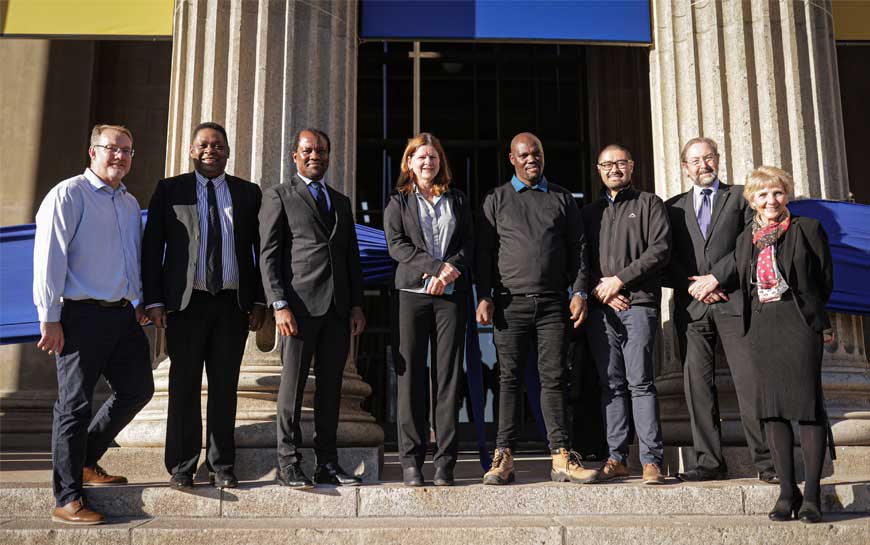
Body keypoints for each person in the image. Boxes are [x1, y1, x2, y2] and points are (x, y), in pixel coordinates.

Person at [697, 166, 834, 523]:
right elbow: (743, 280)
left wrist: (813, 318)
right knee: (771, 410)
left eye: (777, 193)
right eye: (763, 195)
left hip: (799, 324)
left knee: (807, 408)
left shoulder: (808, 229)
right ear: (753, 201)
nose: (771, 201)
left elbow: (824, 280)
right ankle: (787, 492)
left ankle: (813, 496)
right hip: (761, 327)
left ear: (786, 195)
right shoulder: (746, 239)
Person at [33, 124, 155, 525]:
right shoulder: (68, 194)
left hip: (121, 313)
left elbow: (130, 255)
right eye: (112, 149)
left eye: (127, 151)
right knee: (74, 405)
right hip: (79, 315)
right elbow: (49, 258)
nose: (120, 156)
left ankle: (85, 459)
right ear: (92, 152)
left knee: (138, 388)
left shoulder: (128, 201)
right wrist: (49, 316)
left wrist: (136, 299)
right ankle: (67, 498)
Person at [142, 122, 266, 490]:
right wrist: (154, 300)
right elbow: (152, 249)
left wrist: (258, 300)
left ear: (228, 152)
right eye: (204, 145)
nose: (211, 150)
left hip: (232, 305)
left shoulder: (248, 193)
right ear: (192, 151)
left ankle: (222, 465)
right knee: (183, 385)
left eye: (218, 145)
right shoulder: (170, 190)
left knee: (226, 387)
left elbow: (262, 251)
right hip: (185, 305)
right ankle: (182, 466)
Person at [476, 132, 596, 485]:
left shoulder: (561, 198)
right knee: (509, 381)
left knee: (554, 379)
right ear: (511, 159)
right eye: (524, 155)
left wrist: (580, 292)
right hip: (509, 304)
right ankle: (504, 458)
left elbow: (579, 250)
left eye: (537, 154)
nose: (532, 160)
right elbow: (484, 254)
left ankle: (561, 456)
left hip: (552, 304)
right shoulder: (496, 199)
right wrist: (484, 294)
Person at [259, 128, 367, 488]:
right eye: (308, 150)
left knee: (331, 390)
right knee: (291, 389)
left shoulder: (341, 201)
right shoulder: (279, 195)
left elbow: (351, 257)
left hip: (337, 310)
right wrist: (279, 304)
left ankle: (327, 463)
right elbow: (269, 255)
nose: (315, 155)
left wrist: (356, 305)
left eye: (321, 150)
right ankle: (289, 463)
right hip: (299, 309)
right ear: (295, 155)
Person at [664, 138, 776, 483]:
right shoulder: (673, 208)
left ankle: (767, 463)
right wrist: (693, 284)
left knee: (749, 383)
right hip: (692, 308)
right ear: (685, 167)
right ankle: (709, 462)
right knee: (697, 387)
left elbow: (750, 246)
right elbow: (665, 258)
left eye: (708, 158)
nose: (703, 165)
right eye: (695, 160)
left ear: (718, 160)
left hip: (733, 302)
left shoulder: (740, 198)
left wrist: (715, 279)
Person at [383, 133, 473, 487]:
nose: (427, 163)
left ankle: (445, 462)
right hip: (411, 295)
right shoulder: (398, 201)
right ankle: (411, 462)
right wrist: (436, 268)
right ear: (409, 162)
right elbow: (396, 246)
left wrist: (451, 269)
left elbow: (468, 243)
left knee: (448, 379)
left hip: (450, 297)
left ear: (441, 162)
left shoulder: (458, 199)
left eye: (433, 157)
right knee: (411, 380)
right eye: (421, 157)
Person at [582, 144, 671, 485]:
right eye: (607, 164)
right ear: (598, 169)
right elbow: (580, 262)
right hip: (602, 309)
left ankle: (650, 461)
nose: (614, 169)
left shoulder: (649, 203)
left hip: (639, 305)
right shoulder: (590, 213)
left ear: (631, 166)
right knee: (611, 385)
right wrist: (600, 290)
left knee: (641, 383)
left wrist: (619, 281)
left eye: (620, 163)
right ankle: (617, 458)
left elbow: (659, 251)